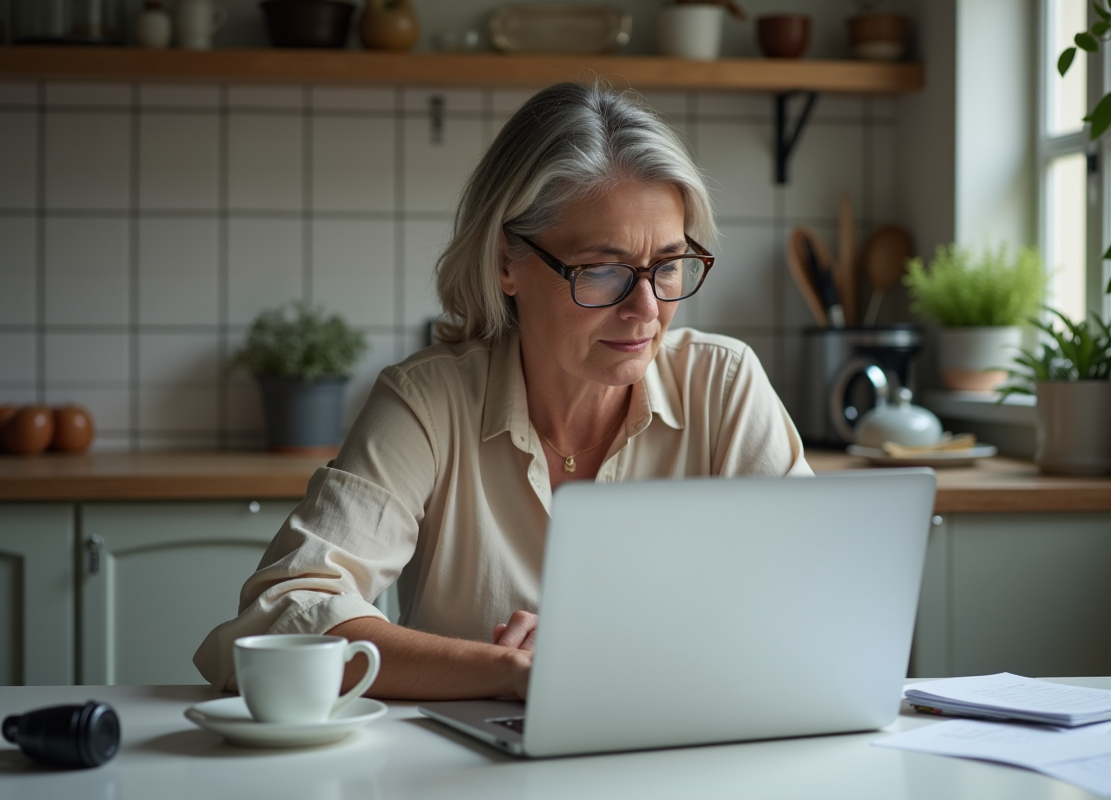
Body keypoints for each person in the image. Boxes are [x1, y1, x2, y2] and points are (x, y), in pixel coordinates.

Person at [194, 81, 813, 700]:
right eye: (603, 271)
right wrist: (507, 672)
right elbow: (286, 611)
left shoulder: (725, 386)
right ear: (505, 264)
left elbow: (816, 604)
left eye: (669, 265)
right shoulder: (427, 404)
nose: (646, 309)